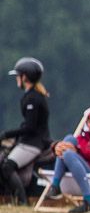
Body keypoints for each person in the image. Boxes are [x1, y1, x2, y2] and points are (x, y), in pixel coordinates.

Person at [1, 57, 51, 205]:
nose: (17, 79)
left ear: (25, 77)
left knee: (8, 166)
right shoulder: (32, 96)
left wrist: (6, 134)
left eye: (18, 76)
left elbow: (30, 127)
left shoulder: (33, 98)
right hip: (30, 141)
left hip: (34, 143)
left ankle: (22, 201)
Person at [48, 106, 90, 213]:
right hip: (81, 176)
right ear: (87, 124)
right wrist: (56, 146)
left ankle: (88, 200)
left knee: (68, 153)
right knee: (69, 139)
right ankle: (56, 186)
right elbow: (71, 147)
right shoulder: (82, 139)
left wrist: (78, 150)